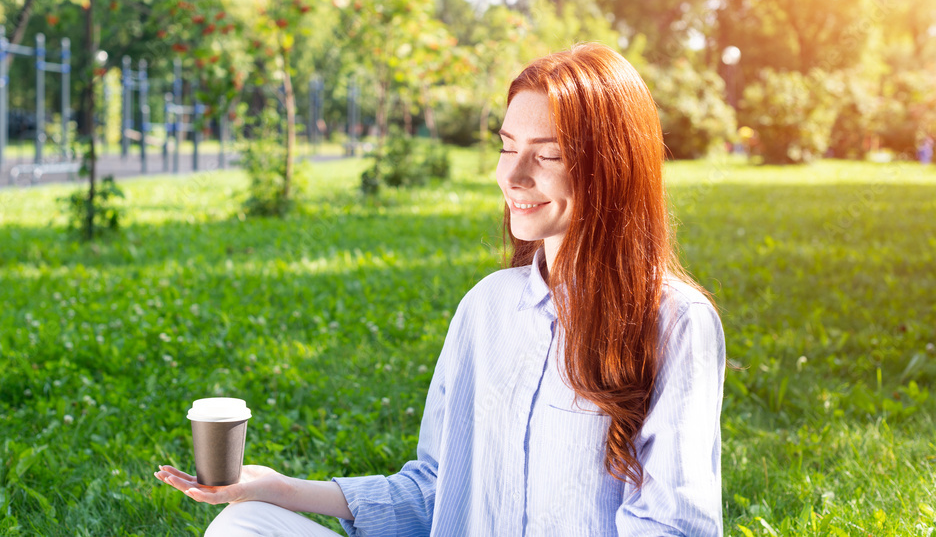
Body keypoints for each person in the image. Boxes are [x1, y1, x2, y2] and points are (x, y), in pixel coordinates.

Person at [155, 42, 726, 536]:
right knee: (245, 524)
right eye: (507, 147)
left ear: (611, 167)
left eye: (547, 154)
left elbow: (673, 525)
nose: (514, 175)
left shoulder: (675, 322)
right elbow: (433, 488)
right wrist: (281, 488)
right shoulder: (487, 309)